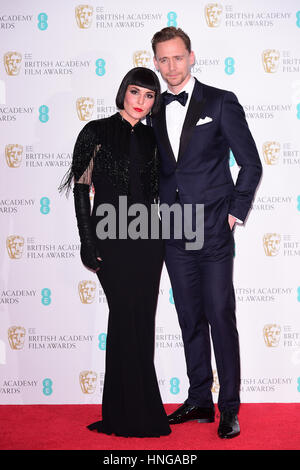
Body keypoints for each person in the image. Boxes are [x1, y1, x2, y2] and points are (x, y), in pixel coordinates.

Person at [150, 27, 262, 439]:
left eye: (177, 57)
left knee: (220, 316)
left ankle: (229, 407)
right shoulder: (155, 108)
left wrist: (234, 213)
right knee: (189, 318)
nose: (171, 66)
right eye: (163, 59)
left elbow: (251, 164)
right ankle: (200, 399)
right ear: (156, 62)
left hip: (213, 229)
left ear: (191, 56)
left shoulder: (219, 101)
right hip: (173, 233)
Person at [59, 67, 171, 438]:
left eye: (149, 96)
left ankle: (137, 412)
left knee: (141, 320)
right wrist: (86, 240)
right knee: (125, 318)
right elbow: (80, 190)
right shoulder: (96, 131)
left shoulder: (157, 138)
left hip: (148, 240)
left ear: (155, 101)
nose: (141, 102)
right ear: (123, 91)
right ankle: (127, 415)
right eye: (135, 92)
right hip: (109, 236)